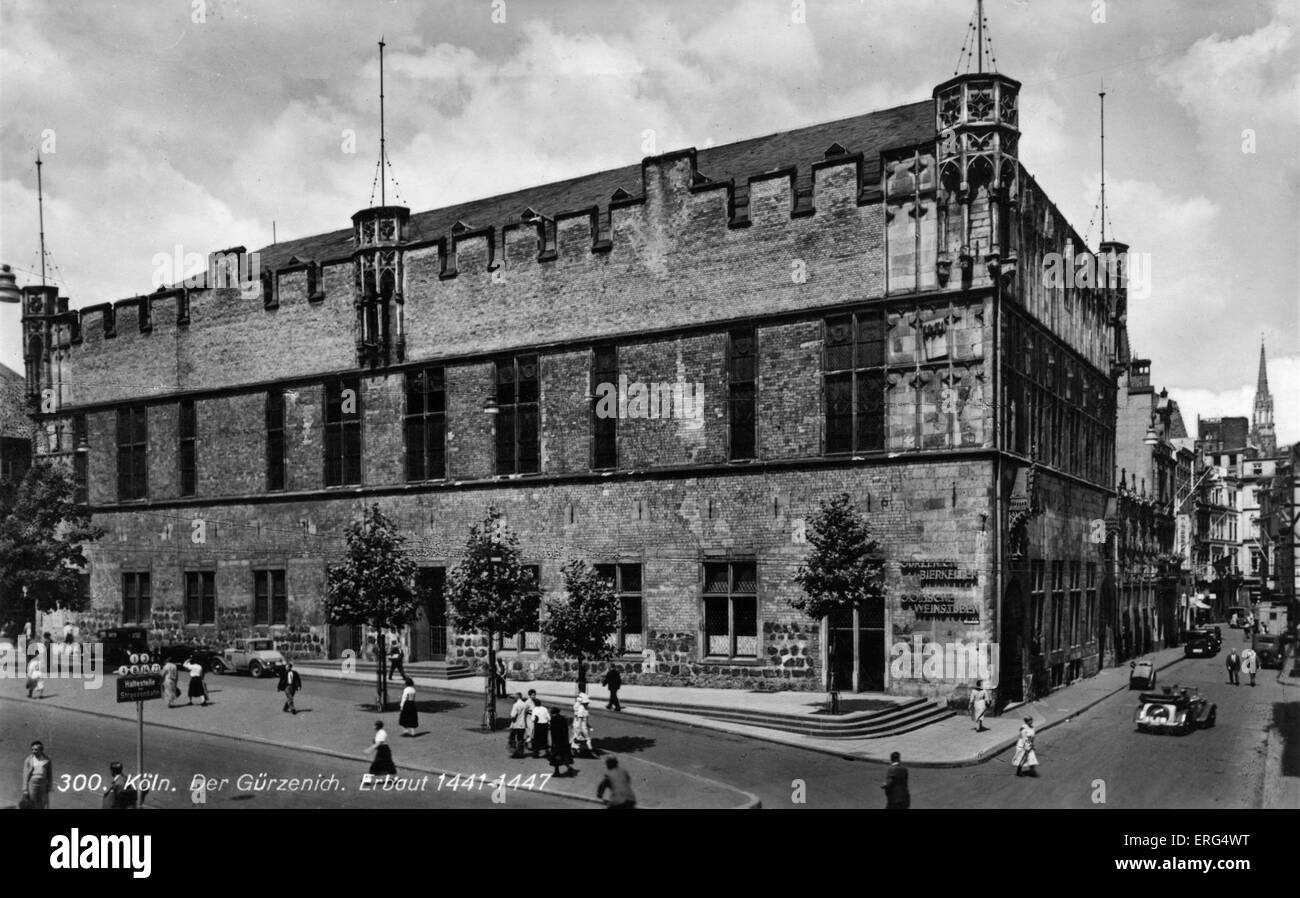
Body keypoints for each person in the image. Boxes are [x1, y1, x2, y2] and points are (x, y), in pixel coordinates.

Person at [22, 741, 52, 809]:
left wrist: (49, 785)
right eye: (32, 749)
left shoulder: (47, 759)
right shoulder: (28, 760)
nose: (33, 751)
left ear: (41, 750)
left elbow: (50, 774)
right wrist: (25, 789)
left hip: (43, 783)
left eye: (36, 749)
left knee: (42, 802)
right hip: (32, 783)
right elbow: (25, 775)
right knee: (32, 802)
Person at [547, 706, 576, 777]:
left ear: (553, 713)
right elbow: (565, 730)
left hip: (556, 742)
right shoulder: (563, 719)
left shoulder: (553, 720)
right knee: (564, 756)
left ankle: (557, 771)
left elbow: (554, 732)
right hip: (564, 741)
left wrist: (553, 743)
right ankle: (569, 768)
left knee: (555, 758)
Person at [571, 692, 594, 757]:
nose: (587, 704)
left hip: (581, 726)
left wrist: (589, 726)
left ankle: (576, 749)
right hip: (582, 727)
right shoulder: (581, 709)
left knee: (576, 738)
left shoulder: (581, 707)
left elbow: (584, 720)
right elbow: (580, 721)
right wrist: (579, 730)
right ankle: (590, 751)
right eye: (586, 703)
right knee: (588, 739)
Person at [508, 693, 529, 758]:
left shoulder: (516, 705)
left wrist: (511, 718)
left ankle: (515, 752)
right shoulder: (525, 704)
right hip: (522, 724)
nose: (514, 699)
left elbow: (513, 716)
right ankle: (521, 752)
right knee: (520, 738)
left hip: (516, 724)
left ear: (517, 698)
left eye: (514, 697)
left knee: (512, 738)